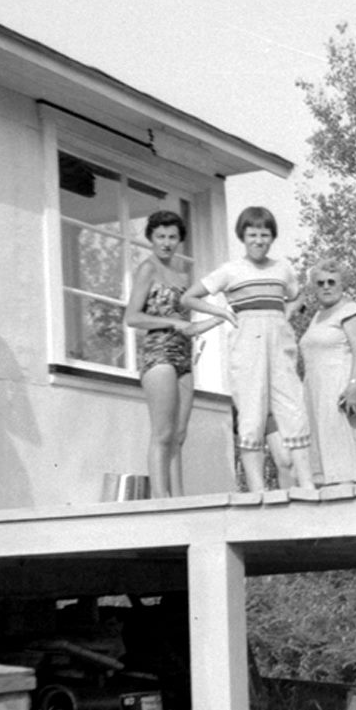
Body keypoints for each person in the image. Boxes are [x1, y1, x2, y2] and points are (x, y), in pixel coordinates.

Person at [183, 206, 316, 492]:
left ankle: (306, 484)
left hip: (280, 344)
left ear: (272, 237)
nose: (259, 241)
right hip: (247, 345)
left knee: (292, 407)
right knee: (251, 413)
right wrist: (222, 314)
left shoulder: (282, 268)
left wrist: (287, 314)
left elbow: (298, 295)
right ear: (243, 236)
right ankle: (257, 491)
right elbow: (190, 297)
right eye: (253, 234)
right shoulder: (230, 271)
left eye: (265, 235)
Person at [123, 210, 223, 498]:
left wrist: (219, 317)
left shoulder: (181, 275)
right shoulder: (148, 269)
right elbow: (132, 317)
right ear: (151, 238)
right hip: (159, 354)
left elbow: (188, 326)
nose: (166, 243)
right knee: (163, 433)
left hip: (183, 356)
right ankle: (161, 500)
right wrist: (172, 322)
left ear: (180, 240)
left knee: (179, 435)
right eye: (161, 237)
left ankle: (179, 499)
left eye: (172, 237)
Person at [298, 261, 356, 484]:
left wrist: (353, 387)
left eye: (331, 282)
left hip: (340, 386)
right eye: (320, 283)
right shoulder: (318, 316)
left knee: (340, 443)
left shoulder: (350, 312)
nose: (326, 287)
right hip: (316, 390)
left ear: (342, 284)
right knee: (322, 446)